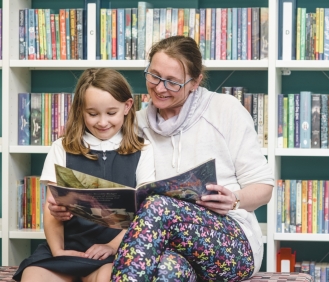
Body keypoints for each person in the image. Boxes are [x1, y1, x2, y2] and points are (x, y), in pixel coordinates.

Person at [111, 35, 274, 281]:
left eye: (172, 82)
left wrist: (235, 200)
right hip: (168, 247)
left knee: (158, 205)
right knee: (166, 271)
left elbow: (264, 188)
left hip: (232, 243)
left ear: (195, 81)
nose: (159, 88)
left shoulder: (225, 110)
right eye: (153, 76)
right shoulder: (137, 124)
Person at [14, 68, 156, 282]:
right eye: (92, 113)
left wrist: (111, 247)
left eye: (111, 113)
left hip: (115, 250)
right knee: (33, 276)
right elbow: (51, 208)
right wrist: (58, 250)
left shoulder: (143, 150)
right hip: (69, 248)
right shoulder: (62, 147)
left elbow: (146, 215)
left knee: (109, 276)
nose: (102, 122)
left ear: (127, 107)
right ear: (81, 109)